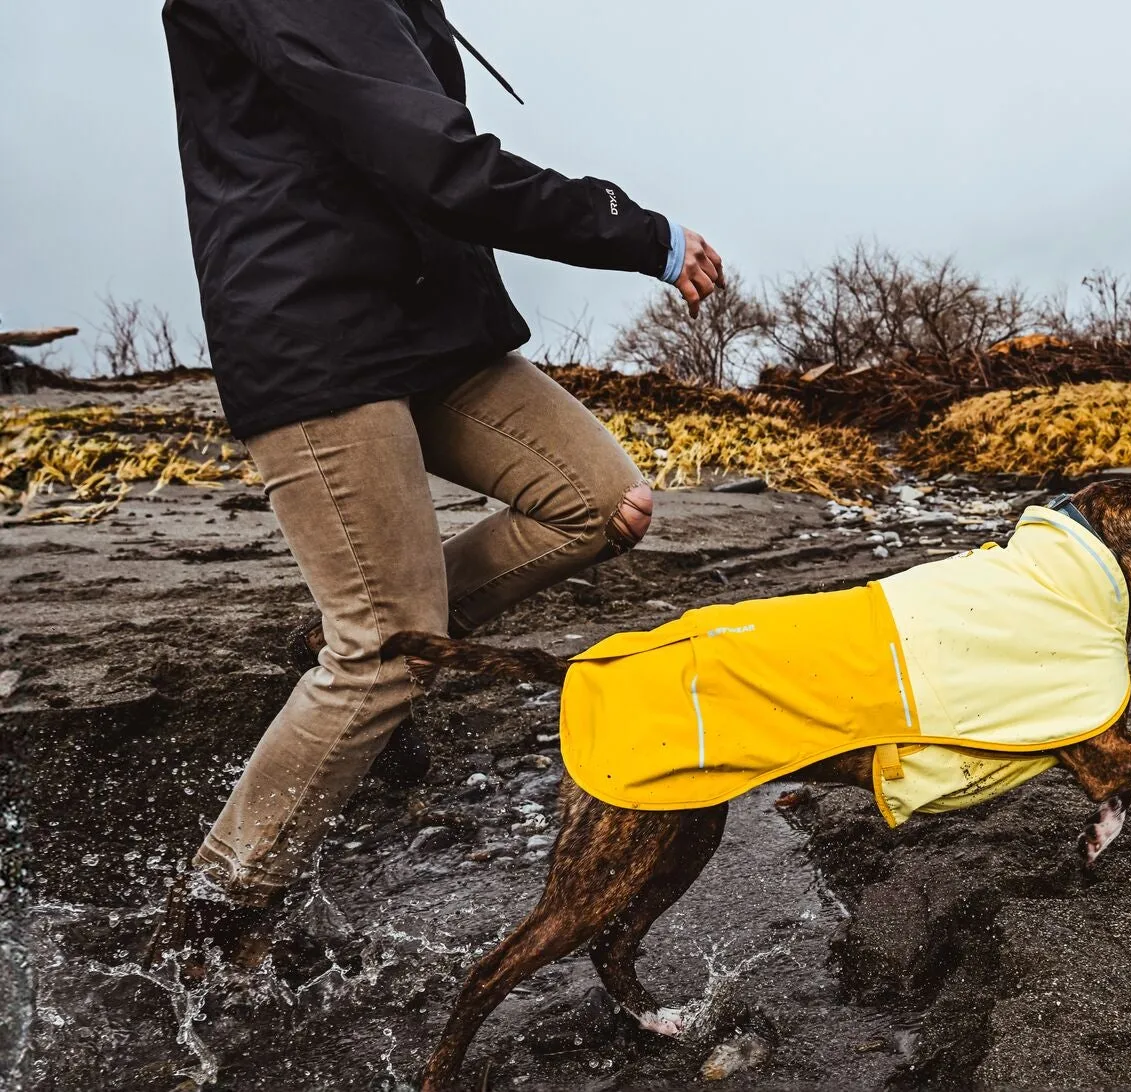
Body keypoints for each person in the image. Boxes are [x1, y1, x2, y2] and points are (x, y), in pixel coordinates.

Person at [147, 0, 722, 976]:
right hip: (317, 330)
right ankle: (209, 920)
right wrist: (636, 232)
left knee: (599, 501)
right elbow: (437, 163)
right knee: (384, 652)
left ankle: (337, 648)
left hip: (427, 326)